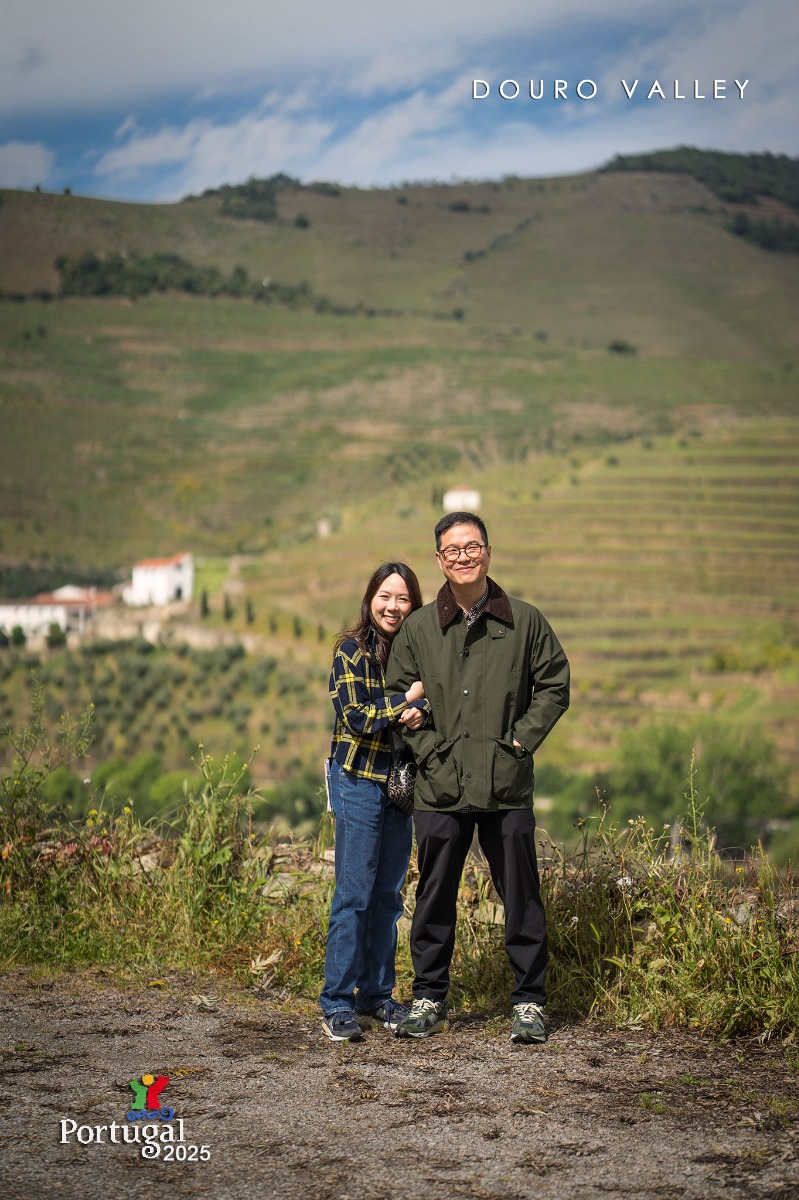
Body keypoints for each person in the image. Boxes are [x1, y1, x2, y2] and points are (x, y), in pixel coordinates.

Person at [386, 512, 569, 1044]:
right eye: (453, 549)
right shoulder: (421, 627)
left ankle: (529, 1003)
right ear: (439, 560)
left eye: (472, 546)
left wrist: (520, 742)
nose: (463, 556)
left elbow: (554, 685)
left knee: (521, 896)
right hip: (439, 785)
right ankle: (428, 998)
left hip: (505, 784)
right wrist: (428, 748)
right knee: (434, 896)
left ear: (488, 552)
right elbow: (397, 695)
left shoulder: (526, 621)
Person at [320, 561, 427, 1043]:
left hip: (398, 785)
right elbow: (358, 716)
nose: (393, 606)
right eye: (385, 596)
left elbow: (433, 704)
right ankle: (337, 1002)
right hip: (358, 782)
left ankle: (377, 995)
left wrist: (420, 710)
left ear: (414, 605)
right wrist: (407, 704)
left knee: (388, 895)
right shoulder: (350, 651)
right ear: (370, 600)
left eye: (403, 598)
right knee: (354, 894)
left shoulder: (417, 651)